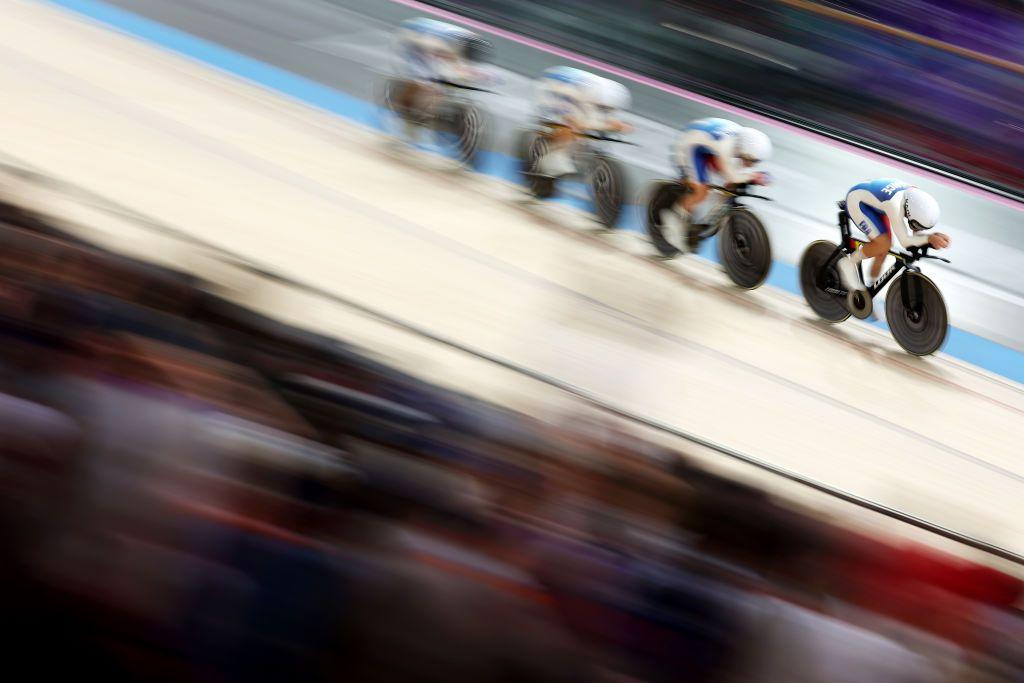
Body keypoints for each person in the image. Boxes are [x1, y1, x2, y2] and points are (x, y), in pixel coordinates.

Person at [662, 118, 772, 251]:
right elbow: (732, 174)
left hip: (707, 147)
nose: (751, 165)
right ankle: (672, 222)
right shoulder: (725, 145)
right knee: (701, 192)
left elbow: (736, 175)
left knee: (730, 185)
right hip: (690, 146)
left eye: (756, 162)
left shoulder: (741, 143)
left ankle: (711, 213)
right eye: (751, 160)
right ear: (744, 149)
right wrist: (753, 176)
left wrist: (752, 176)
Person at [837, 179, 950, 294]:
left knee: (883, 250)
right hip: (857, 201)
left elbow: (916, 231)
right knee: (883, 244)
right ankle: (848, 263)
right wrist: (929, 238)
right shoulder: (894, 205)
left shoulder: (915, 197)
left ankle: (871, 288)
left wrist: (931, 237)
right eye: (916, 225)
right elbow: (905, 241)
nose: (917, 228)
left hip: (876, 202)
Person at [391, 18, 491, 134]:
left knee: (446, 78)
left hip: (437, 44)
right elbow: (437, 59)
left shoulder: (471, 40)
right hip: (413, 39)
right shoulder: (441, 43)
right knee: (426, 83)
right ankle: (407, 115)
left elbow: (461, 64)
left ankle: (427, 111)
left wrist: (475, 74)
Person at [532, 66, 632, 178]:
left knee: (591, 123)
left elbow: (610, 119)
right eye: (603, 107)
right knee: (569, 127)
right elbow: (575, 121)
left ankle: (576, 151)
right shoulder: (576, 93)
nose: (607, 110)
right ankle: (551, 158)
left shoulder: (607, 97)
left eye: (609, 108)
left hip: (581, 92)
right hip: (553, 89)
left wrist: (617, 125)